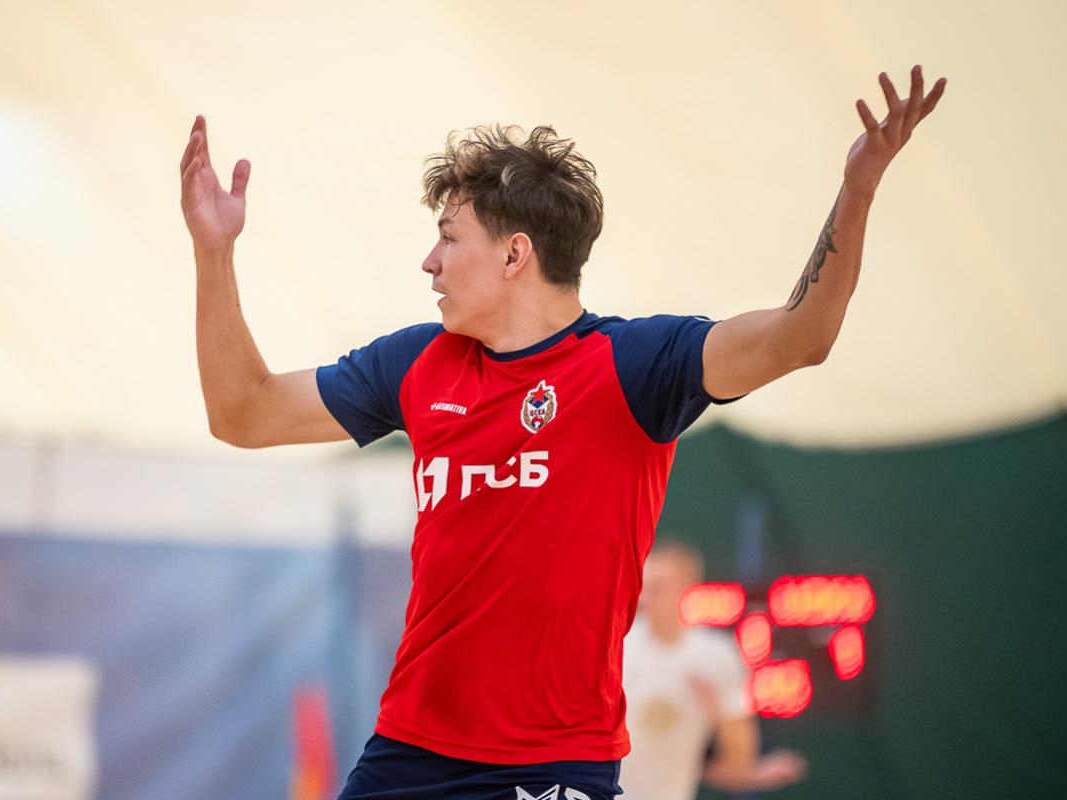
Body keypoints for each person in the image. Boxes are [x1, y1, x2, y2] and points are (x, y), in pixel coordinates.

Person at [178, 66, 945, 800]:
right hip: (408, 753)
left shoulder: (633, 364)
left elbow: (797, 337)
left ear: (515, 253)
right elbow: (244, 414)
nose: (428, 262)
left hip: (553, 764)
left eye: (448, 238)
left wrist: (857, 190)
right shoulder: (414, 363)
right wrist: (213, 252)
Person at [622, 543, 807, 800]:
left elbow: (737, 763)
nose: (646, 597)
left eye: (657, 588)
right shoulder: (616, 646)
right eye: (644, 586)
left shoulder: (717, 656)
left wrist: (716, 712)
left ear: (685, 587)